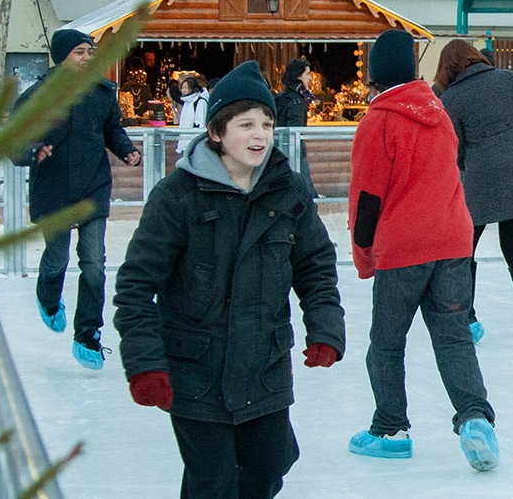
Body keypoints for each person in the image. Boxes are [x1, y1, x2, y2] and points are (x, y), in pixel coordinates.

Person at [113, 61, 346, 499]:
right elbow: (135, 287)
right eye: (246, 125)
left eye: (267, 123)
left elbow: (315, 264)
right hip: (196, 367)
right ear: (217, 132)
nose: (260, 135)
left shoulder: (289, 190)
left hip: (264, 362)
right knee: (213, 482)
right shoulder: (177, 196)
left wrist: (325, 327)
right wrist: (145, 363)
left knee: (272, 463)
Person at [347, 30, 500, 470]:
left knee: (387, 342)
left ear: (374, 77)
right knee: (453, 340)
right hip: (453, 241)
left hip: (404, 249)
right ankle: (475, 420)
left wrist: (363, 257)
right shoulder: (440, 111)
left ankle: (390, 427)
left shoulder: (378, 121)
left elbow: (366, 199)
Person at [13, 28, 141, 369]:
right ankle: (48, 296)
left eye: (90, 52)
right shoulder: (38, 96)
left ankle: (87, 335)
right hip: (53, 188)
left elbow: (113, 129)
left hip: (93, 187)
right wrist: (34, 151)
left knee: (94, 264)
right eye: (79, 53)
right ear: (62, 56)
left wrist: (126, 150)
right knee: (57, 258)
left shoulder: (101, 93)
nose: (86, 58)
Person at [434, 39, 513, 346]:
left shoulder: (452, 97)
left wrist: (469, 160)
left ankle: (468, 319)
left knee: (466, 247)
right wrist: (512, 135)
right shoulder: (505, 78)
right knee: (512, 247)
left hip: (479, 181)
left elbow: (453, 144)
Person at [276, 58, 317, 196]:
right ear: (299, 75)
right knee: (303, 185)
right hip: (293, 147)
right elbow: (295, 129)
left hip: (281, 145)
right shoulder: (296, 100)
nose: (310, 78)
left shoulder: (282, 96)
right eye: (307, 74)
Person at [175, 74, 210, 154]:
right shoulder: (187, 102)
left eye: (186, 88)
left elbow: (201, 124)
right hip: (185, 143)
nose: (183, 90)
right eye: (182, 88)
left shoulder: (200, 102)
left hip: (194, 145)